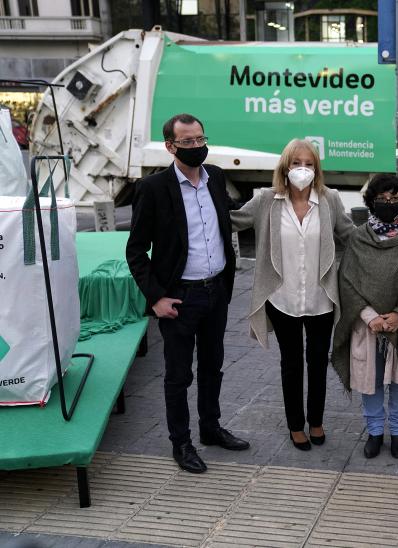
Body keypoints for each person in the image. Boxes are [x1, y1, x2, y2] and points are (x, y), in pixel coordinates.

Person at [126, 113, 250, 474]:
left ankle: (211, 428)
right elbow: (135, 250)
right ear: (170, 146)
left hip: (216, 292)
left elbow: (224, 227)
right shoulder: (153, 189)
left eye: (200, 139)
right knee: (178, 375)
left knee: (213, 367)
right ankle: (181, 443)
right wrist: (156, 298)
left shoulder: (217, 179)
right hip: (179, 297)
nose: (197, 146)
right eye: (188, 142)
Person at [230, 138, 354, 451]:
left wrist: (388, 238)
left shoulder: (330, 200)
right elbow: (231, 221)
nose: (303, 169)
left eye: (309, 164)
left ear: (317, 168)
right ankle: (295, 425)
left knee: (317, 362)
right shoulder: (266, 200)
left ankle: (316, 421)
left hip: (321, 298)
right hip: (281, 298)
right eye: (296, 163)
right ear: (285, 167)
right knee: (291, 363)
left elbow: (350, 235)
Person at [332, 175, 398, 459]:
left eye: (395, 199)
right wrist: (370, 317)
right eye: (382, 199)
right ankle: (375, 432)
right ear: (370, 202)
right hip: (367, 327)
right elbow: (347, 282)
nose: (389, 204)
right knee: (370, 381)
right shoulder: (358, 239)